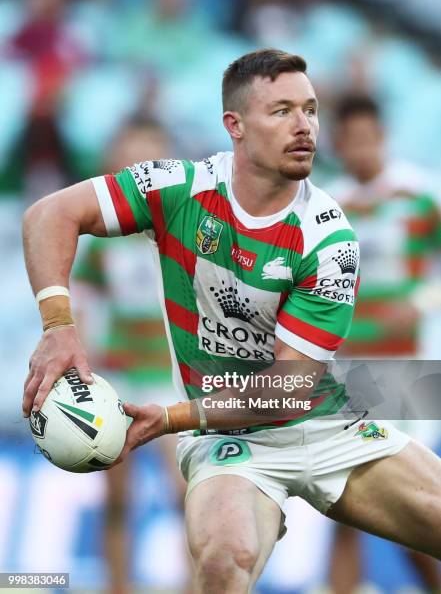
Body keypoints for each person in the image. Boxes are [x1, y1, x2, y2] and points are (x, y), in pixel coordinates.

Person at [22, 49, 441, 594]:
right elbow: (48, 213)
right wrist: (59, 327)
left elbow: (289, 391)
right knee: (224, 561)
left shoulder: (330, 238)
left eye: (311, 110)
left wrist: (172, 418)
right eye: (283, 110)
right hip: (230, 438)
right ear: (235, 126)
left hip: (332, 418)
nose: (305, 126)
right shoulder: (178, 188)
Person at [327, 94, 441, 593]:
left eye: (368, 138)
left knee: (413, 498)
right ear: (338, 144)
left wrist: (420, 302)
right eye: (350, 140)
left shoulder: (421, 194)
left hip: (413, 368)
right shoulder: (329, 205)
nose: (360, 149)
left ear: (383, 138)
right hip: (353, 371)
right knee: (343, 496)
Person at [71, 117, 190, 594]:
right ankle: (117, 586)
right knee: (117, 497)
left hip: (169, 376)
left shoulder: (187, 227)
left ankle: (194, 584)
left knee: (186, 491)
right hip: (118, 377)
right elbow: (85, 302)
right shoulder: (103, 239)